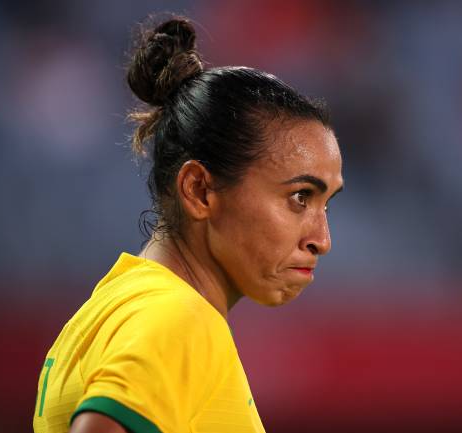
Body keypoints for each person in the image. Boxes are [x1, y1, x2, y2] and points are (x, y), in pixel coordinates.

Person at [32, 15, 343, 433]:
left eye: (326, 203)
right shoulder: (177, 318)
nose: (322, 240)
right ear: (199, 190)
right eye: (300, 196)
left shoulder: (114, 307)